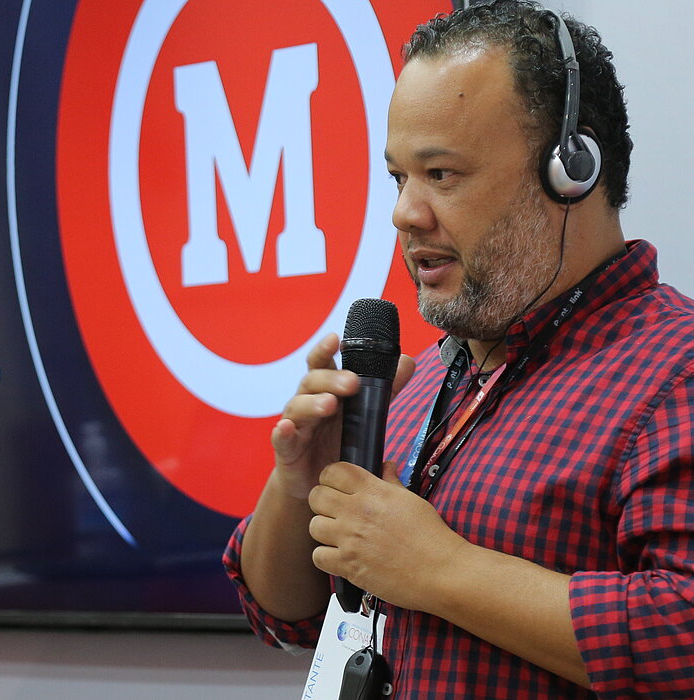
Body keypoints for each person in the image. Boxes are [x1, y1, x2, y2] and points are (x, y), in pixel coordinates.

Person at [222, 0, 694, 697]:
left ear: (572, 169)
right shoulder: (418, 383)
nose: (404, 213)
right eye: (398, 177)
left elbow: (680, 633)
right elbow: (283, 616)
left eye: (440, 174)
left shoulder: (673, 370)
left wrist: (440, 570)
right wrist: (298, 488)